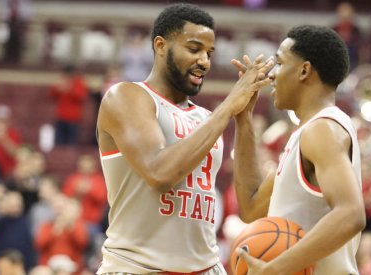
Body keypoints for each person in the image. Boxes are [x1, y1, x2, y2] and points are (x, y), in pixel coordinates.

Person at [95, 3, 273, 275]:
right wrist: (227, 107)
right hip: (138, 268)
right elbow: (159, 172)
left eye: (209, 53)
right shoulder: (127, 97)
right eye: (194, 49)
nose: (205, 61)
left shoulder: (206, 118)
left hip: (206, 267)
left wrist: (244, 115)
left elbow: (249, 209)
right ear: (160, 45)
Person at [233, 25, 366, 274]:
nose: (272, 75)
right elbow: (250, 209)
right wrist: (243, 117)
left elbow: (351, 214)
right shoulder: (307, 133)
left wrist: (274, 268)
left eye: (280, 63)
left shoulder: (322, 129)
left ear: (304, 70)